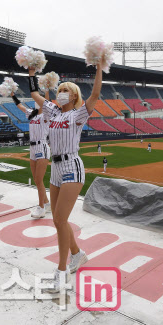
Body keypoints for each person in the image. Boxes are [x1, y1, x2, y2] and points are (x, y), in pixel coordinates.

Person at [27, 54, 105, 293]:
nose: (60, 92)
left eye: (64, 90)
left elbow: (94, 95)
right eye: (59, 89)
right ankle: (78, 254)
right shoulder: (52, 112)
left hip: (72, 166)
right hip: (56, 168)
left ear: (72, 96)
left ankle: (61, 273)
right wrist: (31, 75)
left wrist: (99, 68)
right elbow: (34, 95)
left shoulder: (78, 113)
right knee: (58, 220)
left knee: (60, 219)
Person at [12, 92, 50, 218]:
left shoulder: (46, 114)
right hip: (32, 147)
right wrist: (13, 95)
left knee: (39, 179)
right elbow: (19, 106)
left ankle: (41, 207)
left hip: (42, 146)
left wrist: (46, 90)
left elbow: (47, 101)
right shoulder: (32, 114)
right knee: (36, 179)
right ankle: (46, 202)